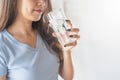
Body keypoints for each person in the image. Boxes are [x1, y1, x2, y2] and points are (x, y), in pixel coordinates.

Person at [0, 0, 80, 80]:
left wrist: (66, 51)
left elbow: (67, 77)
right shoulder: (3, 44)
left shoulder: (47, 33)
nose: (43, 2)